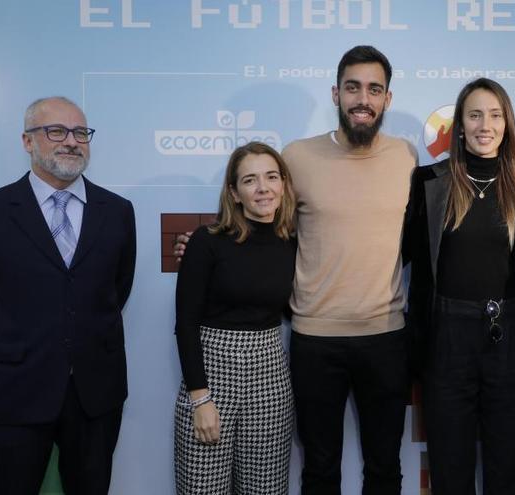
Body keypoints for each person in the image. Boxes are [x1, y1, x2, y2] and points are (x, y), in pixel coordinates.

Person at [174, 46, 417, 494]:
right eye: (352, 87)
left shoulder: (407, 158)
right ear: (335, 94)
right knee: (319, 469)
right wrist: (204, 245)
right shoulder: (298, 157)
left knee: (385, 468)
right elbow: (264, 223)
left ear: (387, 98)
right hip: (314, 341)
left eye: (374, 89)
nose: (362, 98)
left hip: (386, 338)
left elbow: (418, 240)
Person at [0, 96, 136, 495]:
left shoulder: (118, 211)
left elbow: (117, 288)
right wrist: (16, 338)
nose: (71, 141)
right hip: (15, 388)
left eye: (80, 132)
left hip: (95, 393)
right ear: (27, 141)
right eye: (56, 131)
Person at [403, 78, 515, 494]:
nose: (486, 125)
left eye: (495, 115)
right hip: (446, 341)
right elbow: (402, 252)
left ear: (507, 124)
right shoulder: (428, 183)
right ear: (459, 126)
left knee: (505, 467)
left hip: (508, 340)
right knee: (450, 467)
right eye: (475, 115)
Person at [173, 142, 297, 494]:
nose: (263, 188)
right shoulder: (206, 241)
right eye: (250, 180)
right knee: (202, 489)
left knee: (266, 490)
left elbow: (293, 307)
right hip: (211, 378)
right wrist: (201, 399)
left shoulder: (292, 242)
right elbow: (186, 324)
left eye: (272, 177)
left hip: (270, 377)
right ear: (234, 192)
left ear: (284, 184)